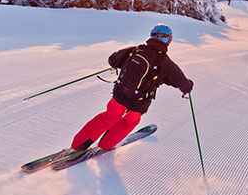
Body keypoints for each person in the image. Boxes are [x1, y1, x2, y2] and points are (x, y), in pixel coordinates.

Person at [70, 23, 193, 152]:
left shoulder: (135, 50)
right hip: (139, 103)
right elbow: (182, 83)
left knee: (108, 118)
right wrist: (188, 86)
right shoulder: (166, 63)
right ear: (168, 40)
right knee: (129, 122)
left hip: (120, 95)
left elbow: (112, 59)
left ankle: (78, 144)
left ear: (151, 36)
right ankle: (105, 145)